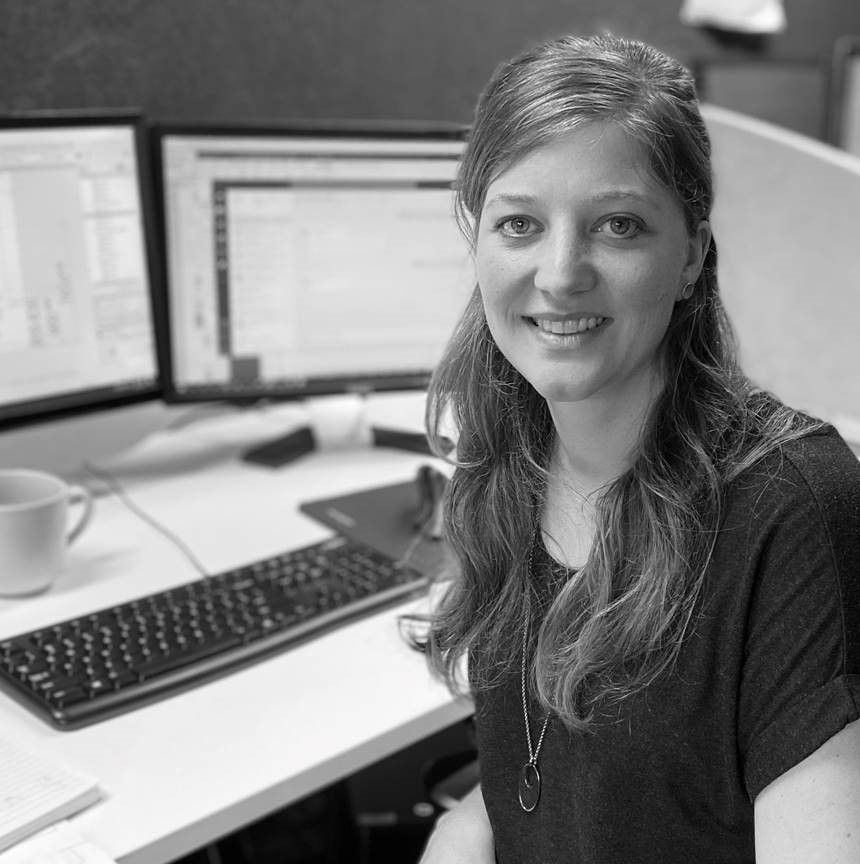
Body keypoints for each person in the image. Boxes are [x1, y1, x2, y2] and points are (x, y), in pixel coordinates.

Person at [415, 32, 860, 864]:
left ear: (690, 255)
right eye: (519, 223)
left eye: (617, 225)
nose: (559, 273)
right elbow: (558, 762)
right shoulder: (506, 454)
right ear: (477, 242)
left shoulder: (792, 505)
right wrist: (467, 825)